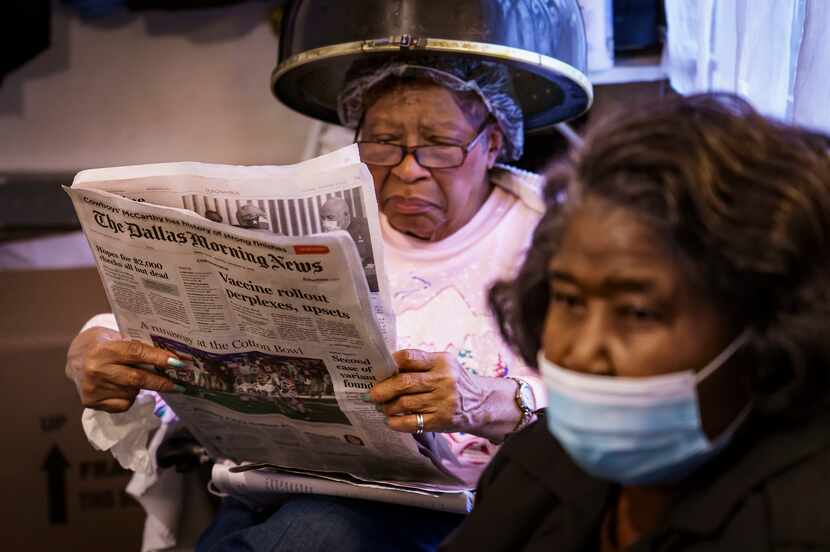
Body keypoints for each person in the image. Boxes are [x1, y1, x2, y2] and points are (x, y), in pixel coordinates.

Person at [66, 55, 554, 552]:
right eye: (384, 143)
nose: (409, 169)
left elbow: (616, 396)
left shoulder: (550, 238)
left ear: (492, 143)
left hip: (453, 506)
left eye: (440, 145)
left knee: (319, 534)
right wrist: (96, 346)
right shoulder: (322, 218)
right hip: (277, 489)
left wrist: (494, 402)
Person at [442, 93, 830, 551]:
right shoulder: (537, 466)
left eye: (637, 313)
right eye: (569, 300)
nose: (582, 350)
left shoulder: (799, 525)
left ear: (763, 326)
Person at [318, 196, 378, 291]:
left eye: (330, 218)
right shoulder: (330, 234)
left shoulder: (367, 227)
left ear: (346, 215)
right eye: (323, 218)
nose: (325, 224)